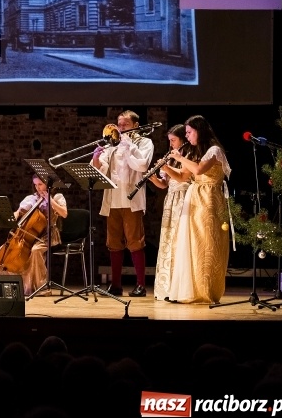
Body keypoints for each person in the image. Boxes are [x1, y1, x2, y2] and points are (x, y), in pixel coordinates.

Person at [166, 115, 232, 304]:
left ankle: (206, 290)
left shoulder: (214, 150)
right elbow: (182, 177)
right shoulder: (198, 152)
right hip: (195, 199)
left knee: (207, 244)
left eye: (189, 132)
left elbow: (198, 170)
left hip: (209, 200)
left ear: (199, 131)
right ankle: (190, 291)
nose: (186, 136)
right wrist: (166, 169)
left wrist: (180, 157)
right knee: (191, 243)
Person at [92, 110, 154, 297]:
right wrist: (96, 158)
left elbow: (142, 165)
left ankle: (141, 285)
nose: (120, 128)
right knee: (113, 243)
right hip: (112, 200)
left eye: (125, 124)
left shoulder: (144, 143)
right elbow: (100, 170)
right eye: (119, 124)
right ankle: (116, 285)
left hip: (131, 200)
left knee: (135, 242)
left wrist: (127, 146)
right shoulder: (111, 144)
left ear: (135, 125)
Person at [0, 173, 67, 295]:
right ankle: (7, 285)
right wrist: (12, 217)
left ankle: (41, 287)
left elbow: (64, 213)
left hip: (48, 234)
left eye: (40, 184)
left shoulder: (57, 197)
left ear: (47, 184)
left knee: (35, 251)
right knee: (3, 250)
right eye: (35, 185)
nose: (37, 188)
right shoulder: (31, 198)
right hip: (30, 235)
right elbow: (19, 212)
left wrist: (50, 200)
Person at [149, 125, 193, 300]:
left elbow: (183, 177)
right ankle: (166, 287)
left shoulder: (189, 155)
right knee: (169, 240)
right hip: (171, 200)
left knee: (179, 241)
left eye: (174, 140)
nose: (171, 144)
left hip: (184, 198)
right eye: (170, 141)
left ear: (183, 139)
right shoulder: (172, 156)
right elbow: (164, 184)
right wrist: (154, 178)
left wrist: (166, 167)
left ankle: (179, 288)